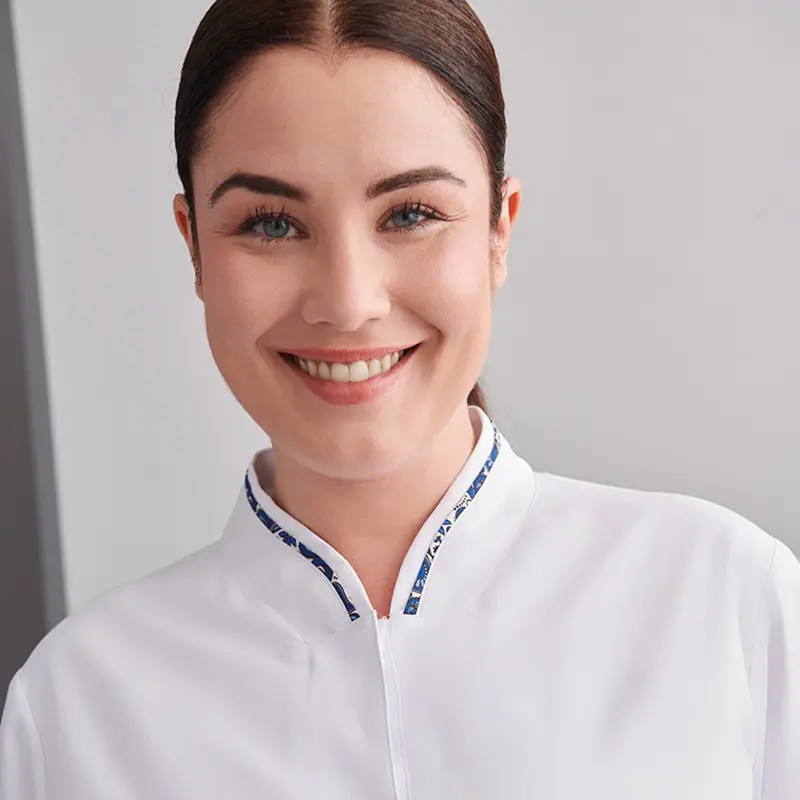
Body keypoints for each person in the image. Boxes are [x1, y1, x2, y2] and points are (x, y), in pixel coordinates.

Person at [2, 0, 798, 796]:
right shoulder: (76, 710)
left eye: (410, 213)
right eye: (272, 224)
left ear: (499, 229)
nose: (348, 302)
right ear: (195, 248)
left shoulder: (724, 604)